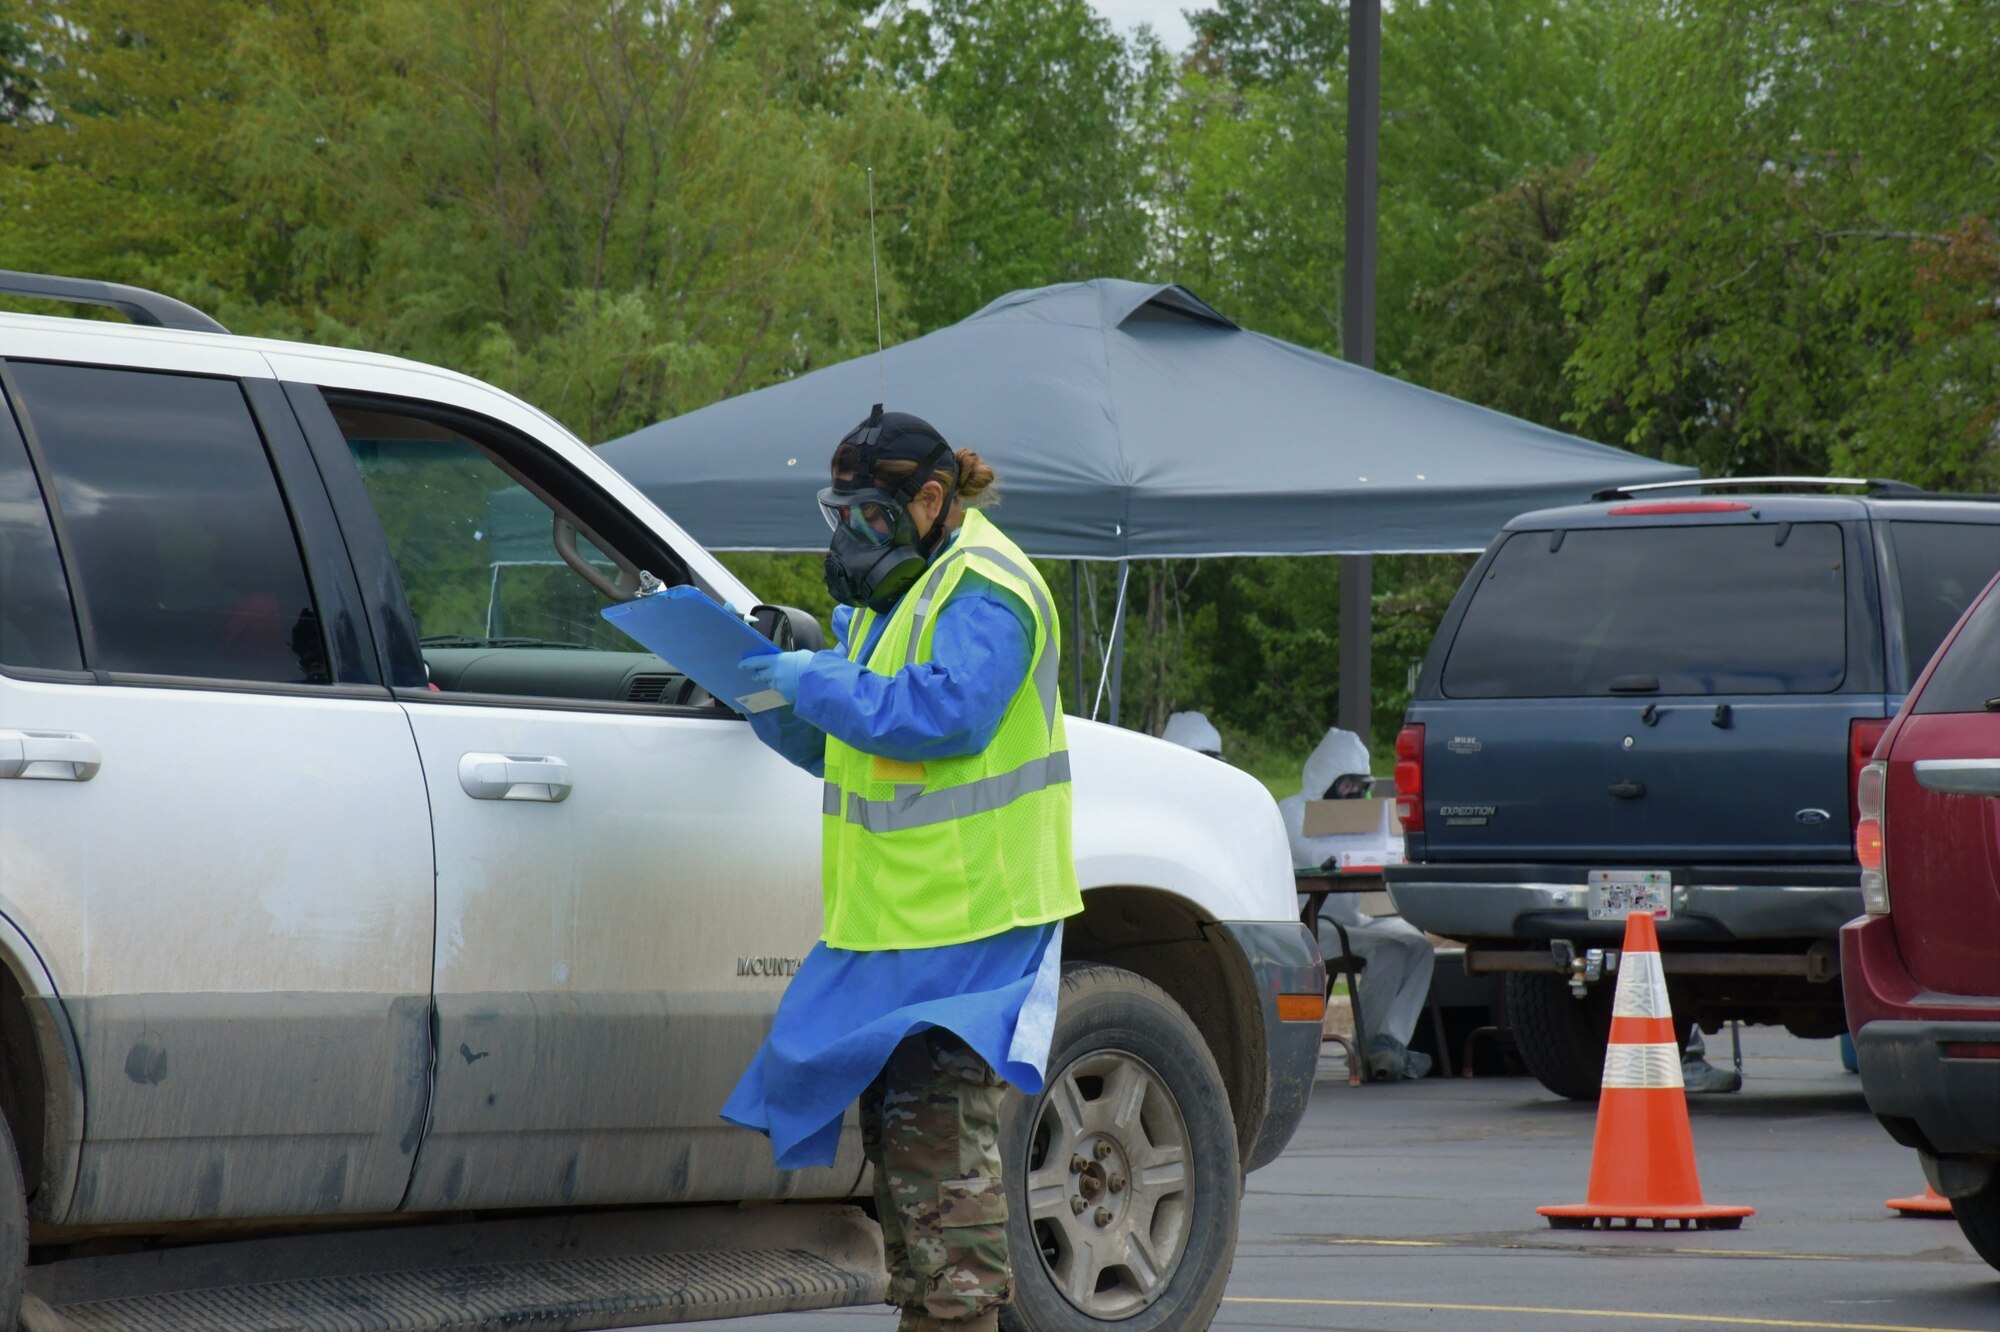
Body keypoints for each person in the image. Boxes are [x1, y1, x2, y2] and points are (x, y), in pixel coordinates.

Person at [720, 406, 1082, 1332]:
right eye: (843, 517)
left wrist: (819, 681)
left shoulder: (989, 587)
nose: (852, 539)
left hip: (971, 927)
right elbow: (861, 742)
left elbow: (944, 714)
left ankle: (958, 1319)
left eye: (871, 518)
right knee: (907, 1162)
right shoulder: (902, 594)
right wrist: (772, 695)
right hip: (899, 926)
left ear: (931, 499)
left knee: (941, 1161)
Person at [1278, 728, 1438, 1081]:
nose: (1355, 794)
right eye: (1347, 784)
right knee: (1390, 949)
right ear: (1327, 779)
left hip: (1352, 920)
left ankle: (1386, 1043)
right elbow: (1321, 858)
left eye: (1360, 786)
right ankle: (1371, 1050)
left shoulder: (1366, 821)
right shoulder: (1293, 812)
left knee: (1416, 946)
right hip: (1312, 927)